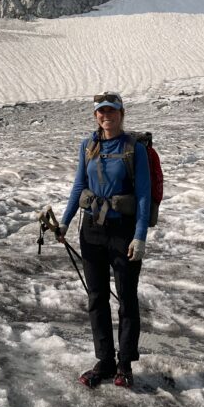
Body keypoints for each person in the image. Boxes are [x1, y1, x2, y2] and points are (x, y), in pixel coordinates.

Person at [57, 91, 150, 388]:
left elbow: (144, 195)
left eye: (111, 111)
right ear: (96, 115)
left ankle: (125, 364)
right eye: (101, 111)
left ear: (121, 114)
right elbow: (78, 186)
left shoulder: (134, 149)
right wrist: (65, 222)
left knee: (126, 299)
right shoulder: (88, 146)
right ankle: (105, 361)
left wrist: (140, 236)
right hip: (92, 232)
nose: (105, 116)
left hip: (123, 232)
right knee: (96, 298)